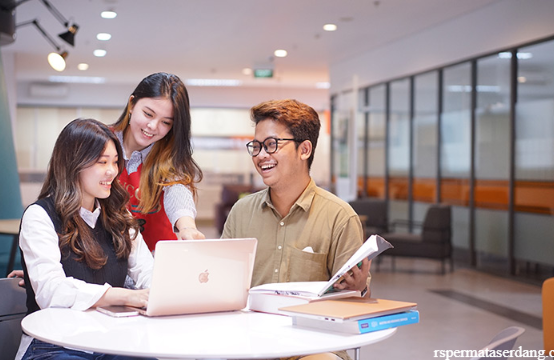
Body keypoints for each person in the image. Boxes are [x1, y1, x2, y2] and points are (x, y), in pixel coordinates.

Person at [221, 99, 370, 360]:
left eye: (271, 145)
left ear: (304, 150)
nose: (260, 155)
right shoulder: (241, 212)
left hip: (315, 345)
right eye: (256, 146)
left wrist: (358, 291)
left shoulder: (339, 217)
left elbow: (356, 307)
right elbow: (222, 289)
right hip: (251, 343)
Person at [16, 118, 154, 360]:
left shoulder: (119, 216)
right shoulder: (40, 216)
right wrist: (123, 295)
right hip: (54, 345)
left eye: (114, 162)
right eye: (102, 162)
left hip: (111, 341)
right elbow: (51, 292)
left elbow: (147, 273)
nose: (112, 171)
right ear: (73, 165)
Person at [111, 72, 204, 251]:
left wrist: (187, 227)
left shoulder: (169, 155)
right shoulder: (101, 143)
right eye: (148, 114)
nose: (153, 127)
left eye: (166, 122)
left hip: (156, 259)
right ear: (131, 104)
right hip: (109, 257)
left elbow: (177, 191)